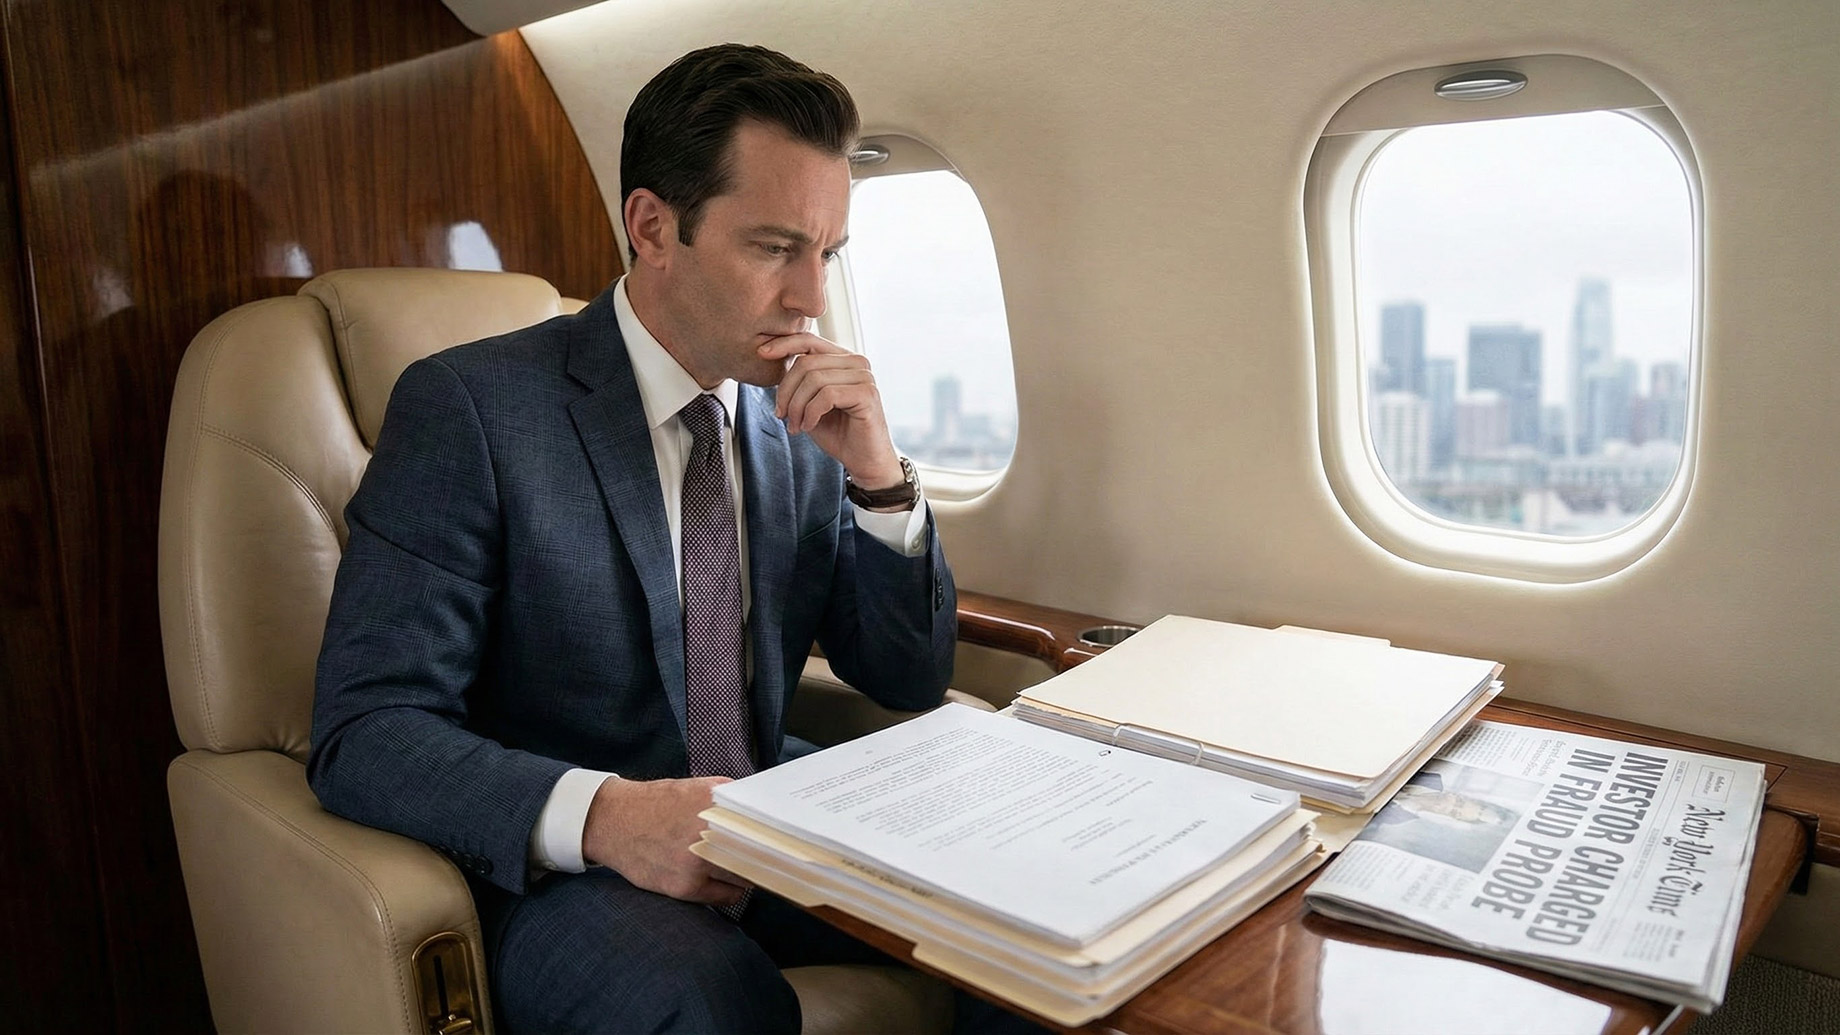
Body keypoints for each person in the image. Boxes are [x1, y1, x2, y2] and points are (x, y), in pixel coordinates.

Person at [309, 44, 958, 1034]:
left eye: (827, 253)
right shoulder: (472, 412)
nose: (811, 297)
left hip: (760, 819)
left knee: (1027, 932)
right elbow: (364, 733)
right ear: (652, 227)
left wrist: (879, 475)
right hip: (565, 869)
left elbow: (905, 677)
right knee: (710, 1001)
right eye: (774, 246)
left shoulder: (798, 428)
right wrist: (611, 818)